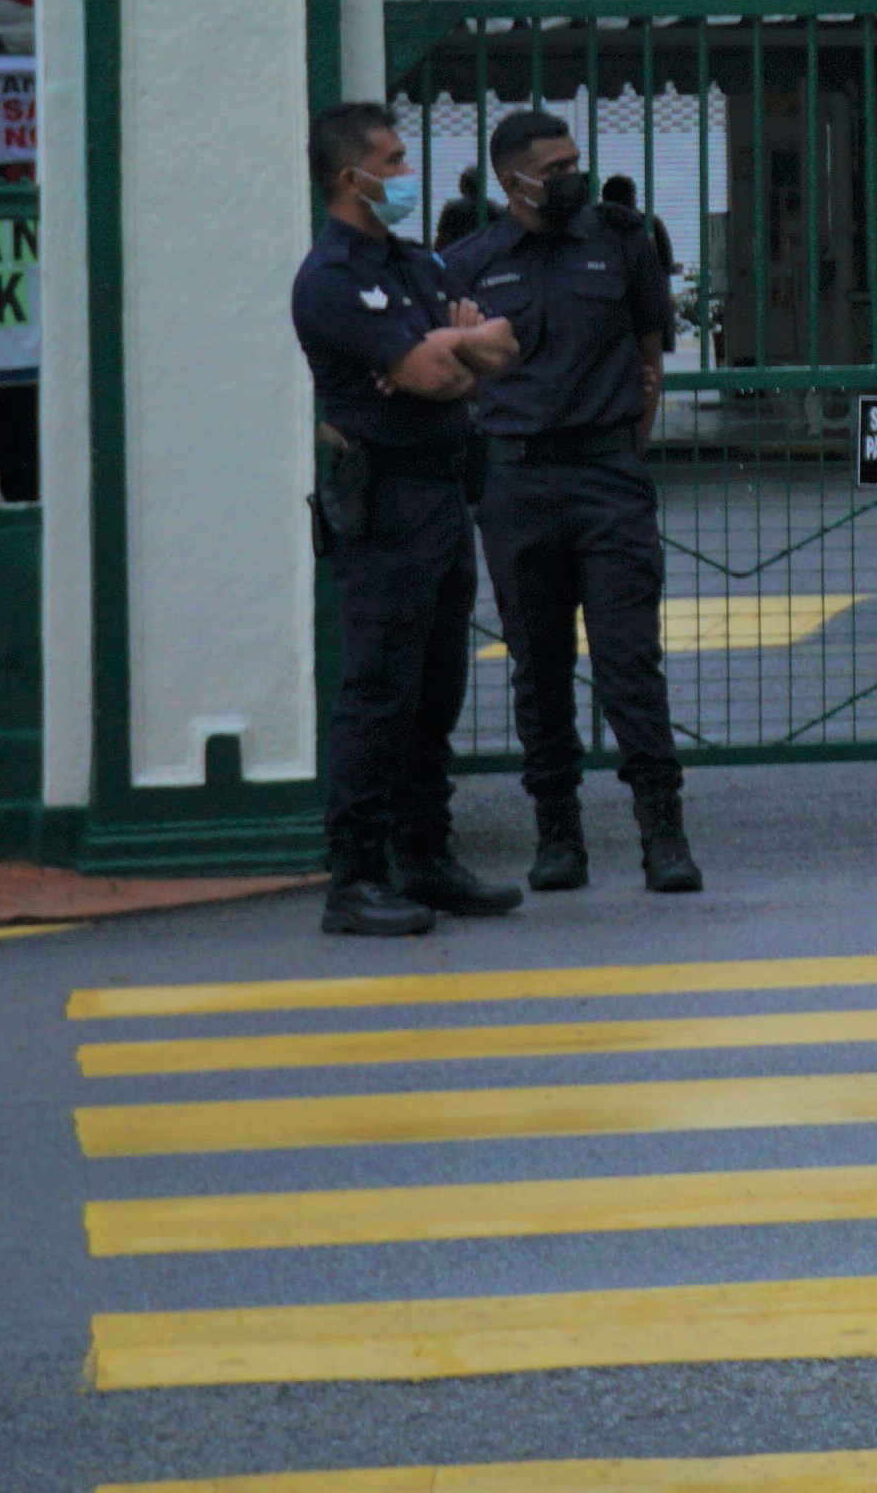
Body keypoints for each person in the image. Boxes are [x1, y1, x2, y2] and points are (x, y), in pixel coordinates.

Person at [445, 109, 698, 895]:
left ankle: (663, 832)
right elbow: (452, 379)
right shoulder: (469, 263)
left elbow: (649, 355)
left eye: (574, 163)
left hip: (606, 478)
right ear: (511, 179)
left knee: (629, 660)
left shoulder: (621, 241)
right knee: (539, 665)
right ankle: (558, 834)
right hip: (517, 485)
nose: (569, 179)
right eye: (552, 169)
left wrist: (626, 452)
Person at [289, 102, 525, 938]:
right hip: (384, 503)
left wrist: (447, 350)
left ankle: (427, 855)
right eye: (390, 161)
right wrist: (446, 352)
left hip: (442, 494)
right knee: (379, 692)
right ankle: (355, 876)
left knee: (435, 691)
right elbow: (430, 374)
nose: (404, 173)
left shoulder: (416, 265)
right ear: (351, 178)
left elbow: (502, 348)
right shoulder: (330, 278)